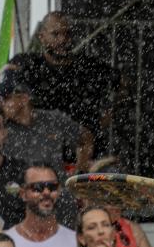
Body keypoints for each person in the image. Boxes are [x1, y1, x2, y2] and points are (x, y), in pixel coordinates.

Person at [9, 11, 123, 153]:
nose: (63, 40)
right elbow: (3, 89)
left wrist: (109, 113)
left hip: (87, 152)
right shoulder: (28, 65)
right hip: (41, 153)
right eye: (55, 34)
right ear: (42, 37)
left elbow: (122, 83)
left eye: (67, 34)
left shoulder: (89, 66)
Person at [0, 68, 93, 175]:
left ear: (24, 98)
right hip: (21, 190)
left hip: (56, 189)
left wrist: (80, 170)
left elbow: (85, 137)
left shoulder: (53, 119)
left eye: (5, 97)